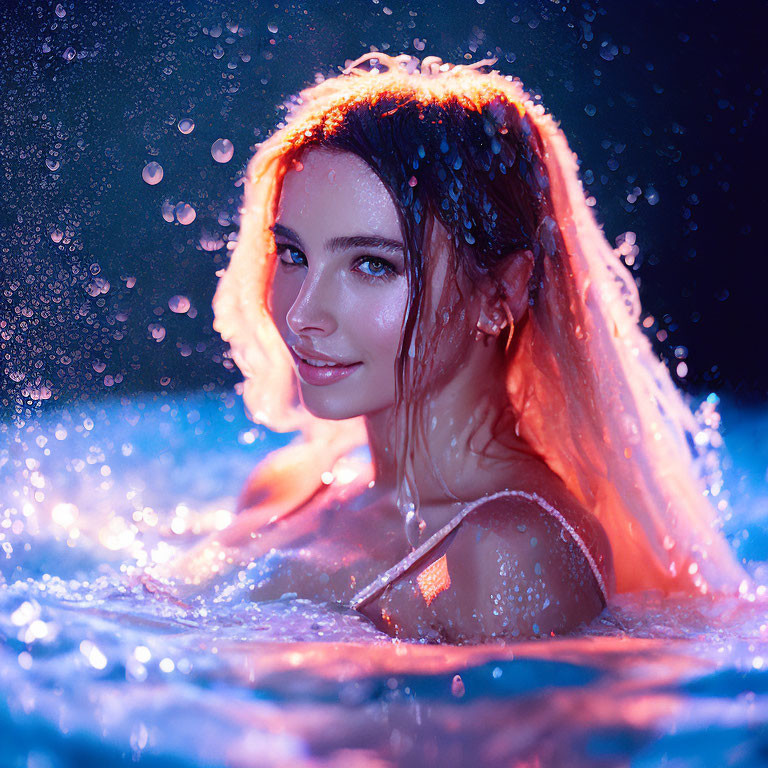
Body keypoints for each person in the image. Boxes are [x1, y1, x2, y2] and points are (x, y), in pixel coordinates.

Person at [160, 53, 748, 643]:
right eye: (293, 255)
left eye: (371, 264)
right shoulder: (288, 483)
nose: (301, 313)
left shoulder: (509, 554)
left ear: (502, 290)